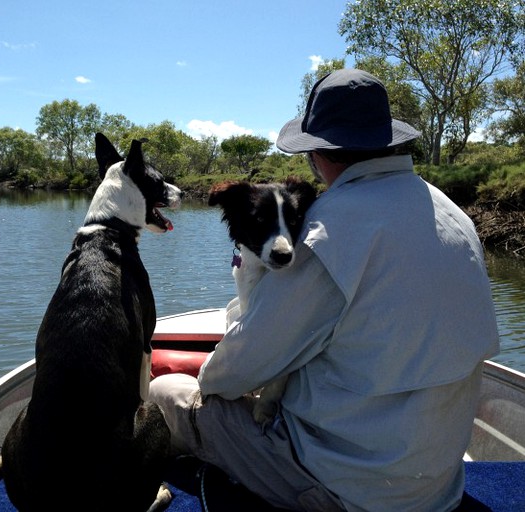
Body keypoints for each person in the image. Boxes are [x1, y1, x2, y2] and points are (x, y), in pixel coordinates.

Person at [149, 68, 500, 511]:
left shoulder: (328, 233)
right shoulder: (455, 216)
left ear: (318, 153)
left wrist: (208, 373)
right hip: (439, 483)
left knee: (170, 393)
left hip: (347, 488)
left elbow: (229, 376)